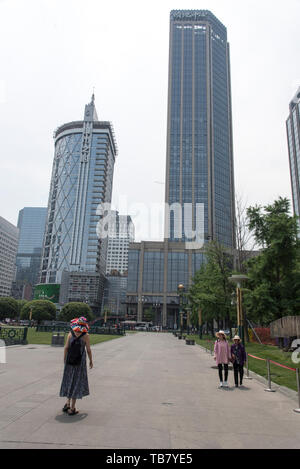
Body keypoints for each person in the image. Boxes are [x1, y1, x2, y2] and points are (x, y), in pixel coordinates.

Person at [59, 316, 93, 415]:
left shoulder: (70, 334)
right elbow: (88, 350)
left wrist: (65, 359)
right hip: (80, 363)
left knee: (69, 380)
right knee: (76, 382)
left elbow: (66, 348)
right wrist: (91, 360)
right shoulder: (86, 335)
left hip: (69, 361)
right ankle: (72, 408)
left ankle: (67, 403)